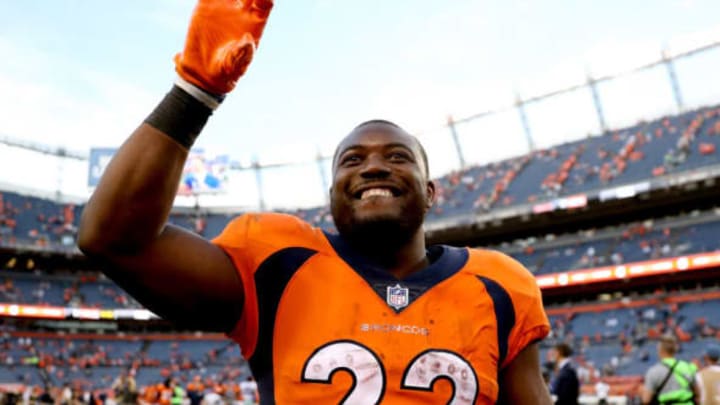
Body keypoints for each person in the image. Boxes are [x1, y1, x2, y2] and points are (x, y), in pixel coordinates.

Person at [77, 0, 552, 403]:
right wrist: (196, 90)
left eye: (397, 157)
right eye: (352, 161)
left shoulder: (501, 285)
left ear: (430, 193)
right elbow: (113, 240)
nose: (373, 167)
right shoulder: (278, 261)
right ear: (332, 198)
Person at [641, 335, 697, 405]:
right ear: (675, 350)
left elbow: (646, 400)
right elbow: (697, 392)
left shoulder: (653, 371)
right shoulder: (687, 367)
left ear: (660, 350)